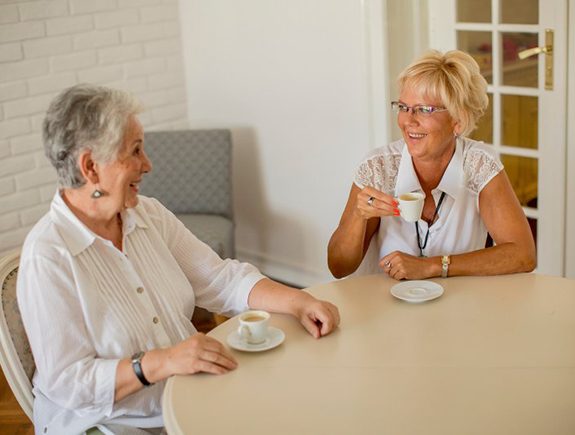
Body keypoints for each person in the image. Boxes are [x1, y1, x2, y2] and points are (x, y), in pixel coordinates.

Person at [17, 84, 340, 434]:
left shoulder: (149, 215)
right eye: (136, 151)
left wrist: (299, 300)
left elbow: (220, 279)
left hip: (184, 394)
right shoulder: (48, 256)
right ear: (91, 167)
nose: (148, 165)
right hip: (108, 423)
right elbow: (68, 382)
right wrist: (160, 363)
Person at [328, 49, 536, 280]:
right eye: (404, 107)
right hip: (386, 306)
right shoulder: (379, 167)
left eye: (424, 109)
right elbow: (338, 267)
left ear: (458, 120)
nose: (408, 120)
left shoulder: (479, 164)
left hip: (458, 305)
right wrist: (359, 215)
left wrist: (435, 266)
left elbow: (523, 254)